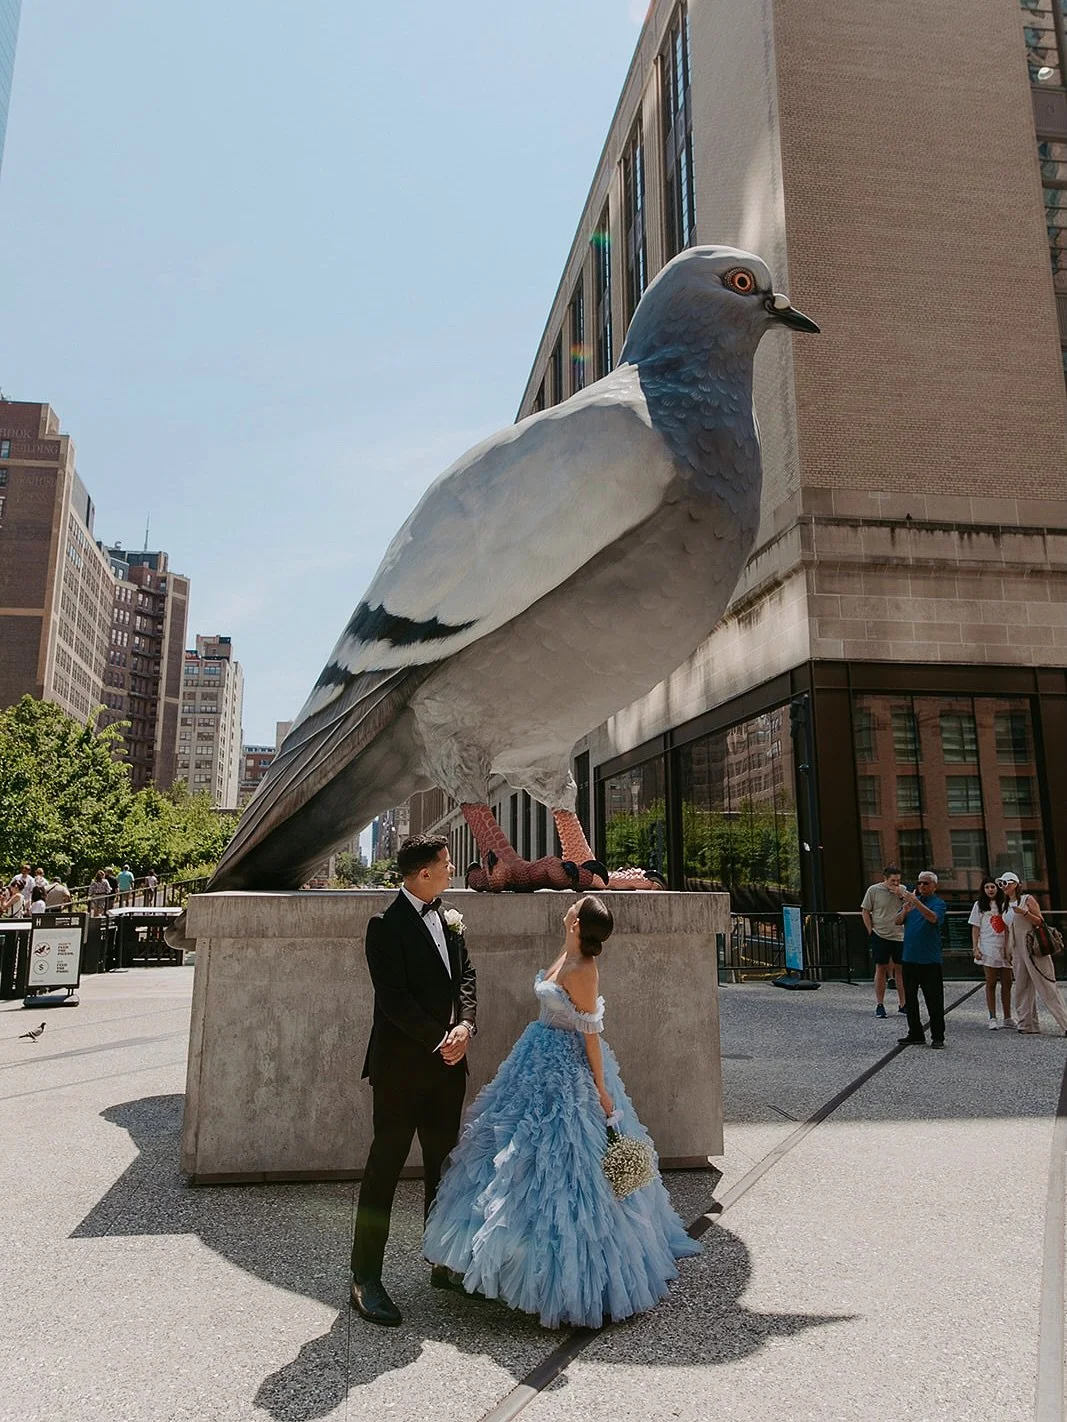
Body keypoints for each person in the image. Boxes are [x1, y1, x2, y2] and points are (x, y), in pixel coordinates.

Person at [423, 894, 701, 1330]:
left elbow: (591, 1033)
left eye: (574, 907)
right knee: (511, 1155)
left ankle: (568, 1280)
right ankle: (491, 1258)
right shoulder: (566, 954)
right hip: (535, 1058)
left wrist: (602, 1091)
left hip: (568, 1071)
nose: (568, 909)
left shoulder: (584, 969)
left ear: (577, 923)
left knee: (566, 1163)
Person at [349, 834, 477, 1328]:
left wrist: (465, 1026)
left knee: (444, 1168)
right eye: (446, 865)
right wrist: (441, 1037)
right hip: (402, 1069)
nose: (452, 870)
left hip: (449, 1066)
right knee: (385, 1167)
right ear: (423, 873)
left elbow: (467, 976)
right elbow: (394, 999)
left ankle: (442, 1261)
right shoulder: (384, 926)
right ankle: (365, 1278)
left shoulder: (450, 917)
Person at [1000, 871, 1067, 1036]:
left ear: (1016, 884)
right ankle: (1027, 1024)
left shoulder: (1026, 899)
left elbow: (1040, 921)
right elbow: (1008, 929)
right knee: (1022, 986)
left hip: (1032, 946)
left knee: (1046, 984)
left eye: (1007, 882)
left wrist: (1024, 913)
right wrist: (1007, 950)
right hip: (1016, 948)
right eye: (1001, 883)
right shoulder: (1006, 905)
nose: (1004, 886)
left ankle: (1065, 1023)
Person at [896, 870, 948, 1049]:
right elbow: (897, 921)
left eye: (926, 883)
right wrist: (904, 910)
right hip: (909, 958)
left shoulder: (938, 904)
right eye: (919, 883)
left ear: (934, 886)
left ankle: (938, 1036)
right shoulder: (910, 904)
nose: (922, 886)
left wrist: (916, 902)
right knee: (910, 999)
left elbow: (933, 918)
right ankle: (915, 1033)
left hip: (929, 961)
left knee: (933, 999)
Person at [860, 864, 907, 1018]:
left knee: (900, 969)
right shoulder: (874, 890)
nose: (896, 884)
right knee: (881, 967)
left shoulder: (903, 890)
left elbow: (909, 907)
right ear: (885, 879)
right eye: (893, 881)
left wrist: (901, 894)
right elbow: (865, 911)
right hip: (880, 933)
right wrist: (870, 930)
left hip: (899, 934)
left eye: (898, 880)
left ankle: (903, 1003)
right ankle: (880, 1003)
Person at [968, 877, 1014, 1030]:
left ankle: (1008, 1017)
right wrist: (975, 948)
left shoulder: (1005, 903)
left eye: (993, 887)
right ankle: (992, 1017)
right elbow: (975, 927)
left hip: (1005, 946)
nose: (990, 890)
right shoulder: (979, 905)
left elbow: (1008, 927)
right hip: (988, 947)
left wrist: (1010, 948)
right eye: (987, 887)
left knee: (1007, 983)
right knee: (991, 982)